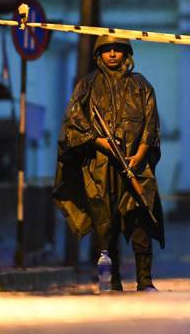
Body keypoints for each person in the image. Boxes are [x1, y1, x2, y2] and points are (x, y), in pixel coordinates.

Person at [53, 35, 164, 291]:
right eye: (107, 49)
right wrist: (99, 142)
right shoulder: (87, 85)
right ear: (98, 54)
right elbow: (74, 124)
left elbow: (151, 124)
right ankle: (110, 281)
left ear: (127, 54)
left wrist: (140, 154)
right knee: (105, 225)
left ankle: (145, 280)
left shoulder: (141, 85)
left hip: (137, 167)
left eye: (118, 49)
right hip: (99, 169)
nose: (112, 54)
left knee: (140, 222)